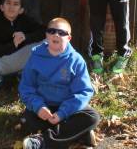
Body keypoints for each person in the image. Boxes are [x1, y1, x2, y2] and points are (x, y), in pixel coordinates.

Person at [19, 18, 100, 149]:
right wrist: (38, 107)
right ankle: (78, 134)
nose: (56, 34)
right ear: (46, 35)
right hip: (44, 107)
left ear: (69, 38)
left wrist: (63, 113)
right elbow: (26, 87)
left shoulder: (76, 60)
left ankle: (42, 141)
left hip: (67, 108)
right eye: (51, 31)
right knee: (25, 121)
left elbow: (83, 92)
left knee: (92, 117)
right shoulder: (35, 56)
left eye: (61, 32)